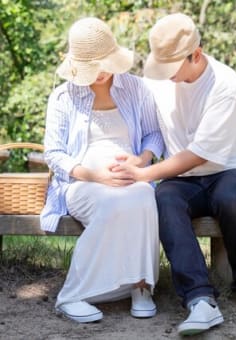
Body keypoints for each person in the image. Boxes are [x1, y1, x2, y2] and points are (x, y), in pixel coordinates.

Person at [113, 13, 236, 336]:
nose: (167, 76)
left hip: (228, 169)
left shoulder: (226, 85)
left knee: (231, 199)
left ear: (197, 55)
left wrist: (143, 174)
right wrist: (141, 157)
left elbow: (199, 154)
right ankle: (199, 298)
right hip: (182, 179)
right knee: (164, 199)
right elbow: (152, 129)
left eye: (173, 68)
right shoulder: (158, 80)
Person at [40, 17, 164, 323]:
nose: (100, 73)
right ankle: (74, 294)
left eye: (104, 65)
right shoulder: (63, 97)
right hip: (82, 181)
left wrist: (141, 160)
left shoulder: (136, 88)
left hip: (131, 176)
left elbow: (154, 134)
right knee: (112, 203)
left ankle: (140, 285)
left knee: (145, 197)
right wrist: (97, 176)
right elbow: (53, 154)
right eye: (91, 68)